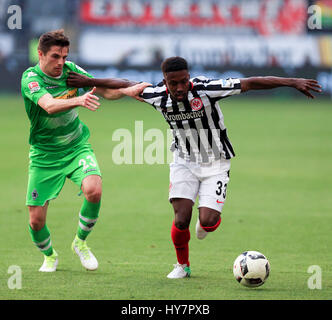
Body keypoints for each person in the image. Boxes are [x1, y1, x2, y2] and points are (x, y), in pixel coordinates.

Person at [67, 56, 321, 278]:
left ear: (189, 77)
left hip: (217, 162)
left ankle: (206, 222)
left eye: (183, 81)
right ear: (164, 81)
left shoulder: (206, 89)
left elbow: (251, 82)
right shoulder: (157, 95)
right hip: (183, 162)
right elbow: (122, 84)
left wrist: (293, 82)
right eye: (173, 82)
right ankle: (182, 265)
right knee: (181, 217)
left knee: (208, 222)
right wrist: (88, 82)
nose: (179, 87)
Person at [21, 29, 147, 272]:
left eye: (65, 56)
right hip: (44, 155)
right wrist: (78, 100)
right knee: (36, 221)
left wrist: (127, 92)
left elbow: (101, 89)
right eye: (56, 56)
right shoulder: (31, 78)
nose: (61, 63)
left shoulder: (71, 71)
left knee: (94, 190)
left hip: (76, 147)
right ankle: (49, 256)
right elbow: (48, 105)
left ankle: (80, 242)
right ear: (40, 54)